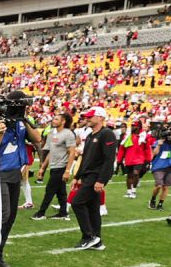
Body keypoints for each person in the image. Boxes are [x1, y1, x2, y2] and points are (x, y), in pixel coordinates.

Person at [0, 91, 41, 267]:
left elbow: (37, 139)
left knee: (11, 216)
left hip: (14, 173)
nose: (23, 108)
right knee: (2, 215)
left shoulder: (21, 123)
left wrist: (23, 119)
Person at [71, 107, 117, 250]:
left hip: (95, 176)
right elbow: (86, 159)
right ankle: (96, 240)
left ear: (100, 118)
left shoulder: (107, 134)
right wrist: (77, 176)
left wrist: (102, 180)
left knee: (77, 203)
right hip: (88, 175)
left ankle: (89, 236)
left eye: (91, 117)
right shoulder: (91, 135)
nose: (87, 119)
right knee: (92, 208)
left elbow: (109, 160)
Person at [32, 112, 76, 220]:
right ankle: (63, 213)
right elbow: (51, 152)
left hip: (61, 167)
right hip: (53, 166)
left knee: (50, 189)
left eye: (56, 119)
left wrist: (67, 170)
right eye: (54, 119)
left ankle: (41, 213)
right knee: (61, 192)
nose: (53, 121)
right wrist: (43, 168)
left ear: (63, 121)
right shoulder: (51, 133)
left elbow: (72, 152)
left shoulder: (68, 134)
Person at [118, 119, 154, 198]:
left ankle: (134, 191)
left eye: (135, 126)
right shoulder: (127, 136)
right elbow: (122, 149)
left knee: (135, 173)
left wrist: (148, 160)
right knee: (129, 175)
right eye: (132, 126)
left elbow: (147, 148)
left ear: (139, 127)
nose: (133, 127)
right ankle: (128, 192)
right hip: (128, 159)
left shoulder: (144, 136)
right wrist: (119, 159)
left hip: (139, 159)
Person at [147, 126, 171, 211]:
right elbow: (154, 153)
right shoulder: (158, 142)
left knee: (166, 187)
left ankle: (160, 203)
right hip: (158, 166)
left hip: (169, 165)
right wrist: (159, 145)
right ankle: (153, 199)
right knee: (158, 185)